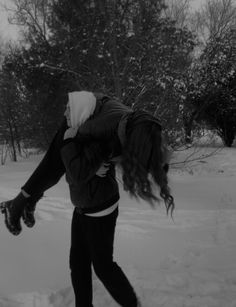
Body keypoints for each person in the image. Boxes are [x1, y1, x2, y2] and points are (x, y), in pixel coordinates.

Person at [0, 91, 141, 307]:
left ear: (81, 113)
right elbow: (68, 167)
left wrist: (69, 147)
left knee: (103, 266)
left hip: (100, 209)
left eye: (69, 109)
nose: (65, 112)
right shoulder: (77, 132)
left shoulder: (92, 136)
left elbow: (76, 171)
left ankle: (132, 304)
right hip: (83, 207)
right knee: (78, 263)